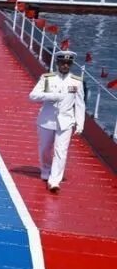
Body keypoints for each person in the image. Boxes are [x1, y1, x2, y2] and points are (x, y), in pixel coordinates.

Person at [32, 49, 86, 193]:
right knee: (45, 149)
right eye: (63, 62)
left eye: (68, 63)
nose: (65, 65)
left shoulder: (77, 82)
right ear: (57, 63)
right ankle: (45, 170)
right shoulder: (47, 78)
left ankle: (54, 181)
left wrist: (80, 124)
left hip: (66, 122)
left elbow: (80, 104)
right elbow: (33, 96)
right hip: (47, 120)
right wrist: (51, 96)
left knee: (61, 151)